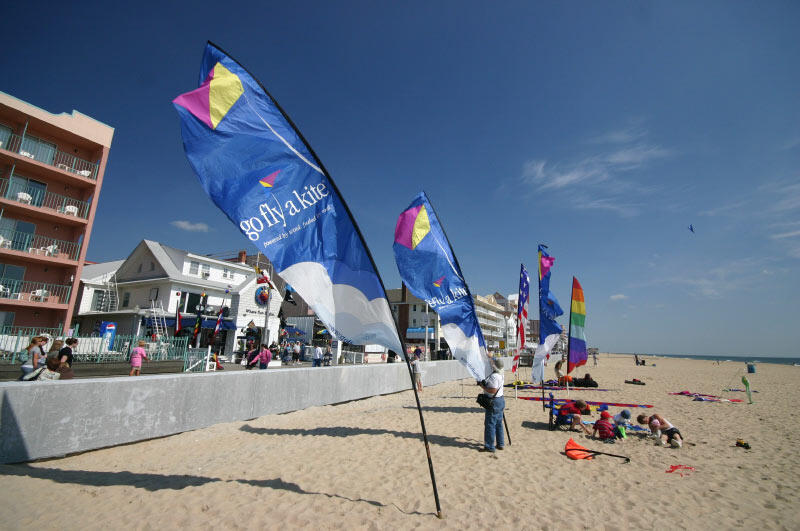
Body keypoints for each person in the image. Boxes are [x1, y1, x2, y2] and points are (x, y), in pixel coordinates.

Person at [478, 358, 505, 452]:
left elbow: (493, 390)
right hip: (500, 400)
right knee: (498, 423)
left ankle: (489, 446)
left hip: (494, 401)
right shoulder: (501, 374)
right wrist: (490, 357)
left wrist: (482, 386)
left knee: (490, 424)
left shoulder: (494, 376)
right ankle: (500, 444)